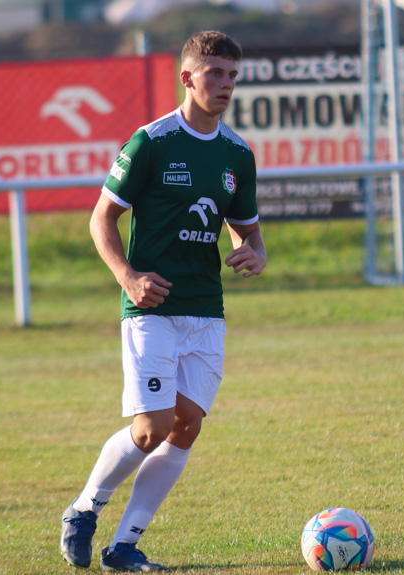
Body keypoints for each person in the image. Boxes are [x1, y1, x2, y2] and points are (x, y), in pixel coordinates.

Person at [60, 30, 266, 572]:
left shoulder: (238, 154)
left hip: (206, 311)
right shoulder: (151, 141)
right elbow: (101, 218)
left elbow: (249, 231)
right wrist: (128, 277)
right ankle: (85, 509)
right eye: (214, 73)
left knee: (187, 426)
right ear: (187, 77)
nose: (224, 84)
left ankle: (124, 546)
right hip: (151, 310)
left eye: (231, 75)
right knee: (151, 427)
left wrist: (254, 252)